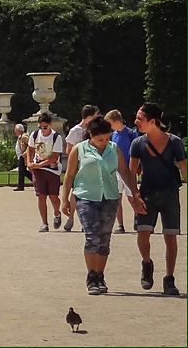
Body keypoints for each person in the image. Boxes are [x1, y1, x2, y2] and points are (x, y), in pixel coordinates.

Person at [61, 116, 146, 295]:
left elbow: (125, 172)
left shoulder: (114, 149)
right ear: (90, 135)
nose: (104, 142)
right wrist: (64, 199)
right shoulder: (79, 149)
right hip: (86, 197)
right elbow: (69, 176)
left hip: (109, 197)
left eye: (107, 138)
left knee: (105, 239)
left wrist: (135, 194)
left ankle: (100, 274)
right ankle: (91, 276)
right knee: (92, 236)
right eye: (100, 139)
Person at [130, 102, 187, 296]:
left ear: (152, 121)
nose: (136, 121)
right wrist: (134, 196)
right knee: (142, 233)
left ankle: (169, 279)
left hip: (170, 194)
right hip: (146, 194)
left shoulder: (174, 142)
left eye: (140, 118)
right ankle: (147, 262)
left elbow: (184, 168)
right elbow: (131, 173)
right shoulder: (138, 143)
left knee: (171, 238)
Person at [63, 105, 100, 232]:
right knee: (76, 193)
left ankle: (87, 221)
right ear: (89, 116)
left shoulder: (94, 130)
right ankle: (72, 218)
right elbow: (69, 150)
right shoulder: (75, 131)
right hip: (78, 165)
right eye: (95, 115)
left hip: (91, 165)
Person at [27, 112, 64, 232]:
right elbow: (30, 149)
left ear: (50, 125)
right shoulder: (35, 134)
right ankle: (44, 223)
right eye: (41, 127)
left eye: (45, 127)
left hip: (52, 170)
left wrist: (38, 165)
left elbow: (54, 157)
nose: (43, 130)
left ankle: (57, 213)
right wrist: (29, 162)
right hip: (39, 170)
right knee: (41, 196)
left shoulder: (56, 137)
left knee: (53, 196)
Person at [104, 109, 139, 234]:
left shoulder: (131, 133)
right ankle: (120, 225)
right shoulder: (113, 135)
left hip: (129, 170)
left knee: (132, 197)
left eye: (109, 123)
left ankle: (138, 216)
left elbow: (137, 152)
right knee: (116, 198)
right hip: (116, 170)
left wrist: (137, 168)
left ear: (115, 121)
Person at [13, 124, 31, 191]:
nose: (14, 131)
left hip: (23, 156)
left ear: (19, 130)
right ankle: (21, 186)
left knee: (22, 171)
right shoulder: (20, 136)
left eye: (15, 130)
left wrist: (25, 153)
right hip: (21, 156)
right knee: (22, 171)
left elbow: (31, 145)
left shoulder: (24, 136)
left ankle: (21, 186)